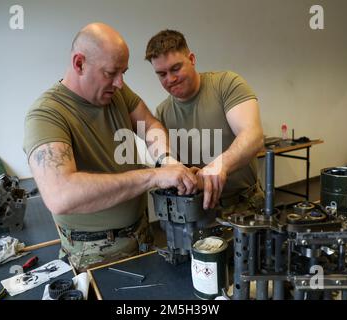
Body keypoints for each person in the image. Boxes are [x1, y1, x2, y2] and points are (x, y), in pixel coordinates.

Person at [23, 23, 198, 272]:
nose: (120, 83)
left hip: (142, 233)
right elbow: (61, 195)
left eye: (123, 72)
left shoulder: (114, 91)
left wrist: (167, 161)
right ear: (79, 63)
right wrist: (153, 176)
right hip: (95, 253)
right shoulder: (46, 115)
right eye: (111, 72)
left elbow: (149, 125)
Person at [145, 29, 265, 216]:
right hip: (197, 211)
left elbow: (253, 136)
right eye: (162, 74)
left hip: (245, 207)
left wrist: (220, 166)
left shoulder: (226, 84)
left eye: (176, 68)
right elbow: (168, 165)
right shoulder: (162, 113)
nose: (170, 79)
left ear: (192, 59)